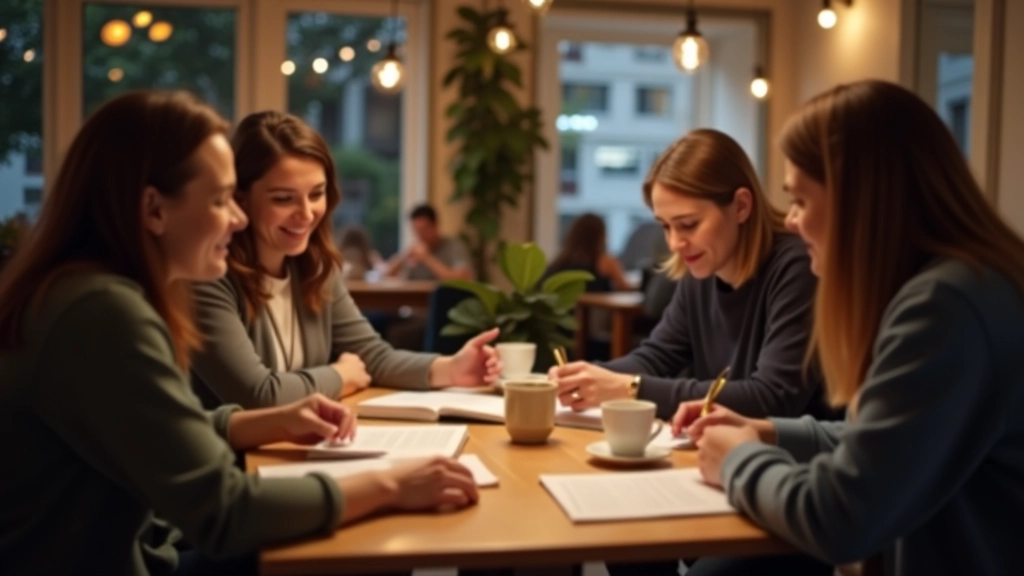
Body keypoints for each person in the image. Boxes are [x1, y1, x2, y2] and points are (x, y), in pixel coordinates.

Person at [0, 91, 478, 576]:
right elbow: (224, 514)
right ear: (154, 210)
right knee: (364, 545)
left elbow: (162, 431)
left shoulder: (85, 292)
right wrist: (390, 484)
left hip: (145, 542)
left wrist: (267, 421)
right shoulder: (103, 313)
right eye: (221, 199)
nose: (238, 217)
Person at [675, 80, 1024, 575]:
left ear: (859, 200)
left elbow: (841, 516)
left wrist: (738, 461)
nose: (792, 221)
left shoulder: (945, 307)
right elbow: (890, 444)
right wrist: (769, 433)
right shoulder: (966, 284)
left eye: (800, 200)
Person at [190, 111, 501, 409]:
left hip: (296, 447)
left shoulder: (316, 270)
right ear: (240, 197)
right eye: (283, 198)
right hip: (240, 460)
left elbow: (373, 357)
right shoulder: (209, 278)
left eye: (316, 194)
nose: (306, 213)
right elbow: (258, 395)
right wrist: (341, 376)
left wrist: (451, 368)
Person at [550, 129, 831, 423]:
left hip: (793, 463)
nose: (674, 244)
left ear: (741, 207)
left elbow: (772, 397)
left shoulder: (800, 264)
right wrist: (583, 377)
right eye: (666, 226)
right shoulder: (702, 269)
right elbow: (656, 358)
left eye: (688, 224)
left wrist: (628, 388)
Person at [546, 213, 633, 292]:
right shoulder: (605, 262)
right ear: (600, 237)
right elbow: (624, 287)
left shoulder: (558, 262)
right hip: (598, 308)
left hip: (564, 308)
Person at [386, 204, 474, 281]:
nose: (421, 235)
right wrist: (404, 256)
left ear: (435, 225)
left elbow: (463, 278)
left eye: (424, 230)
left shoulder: (454, 246)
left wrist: (427, 258)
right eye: (416, 231)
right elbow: (387, 274)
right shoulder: (415, 251)